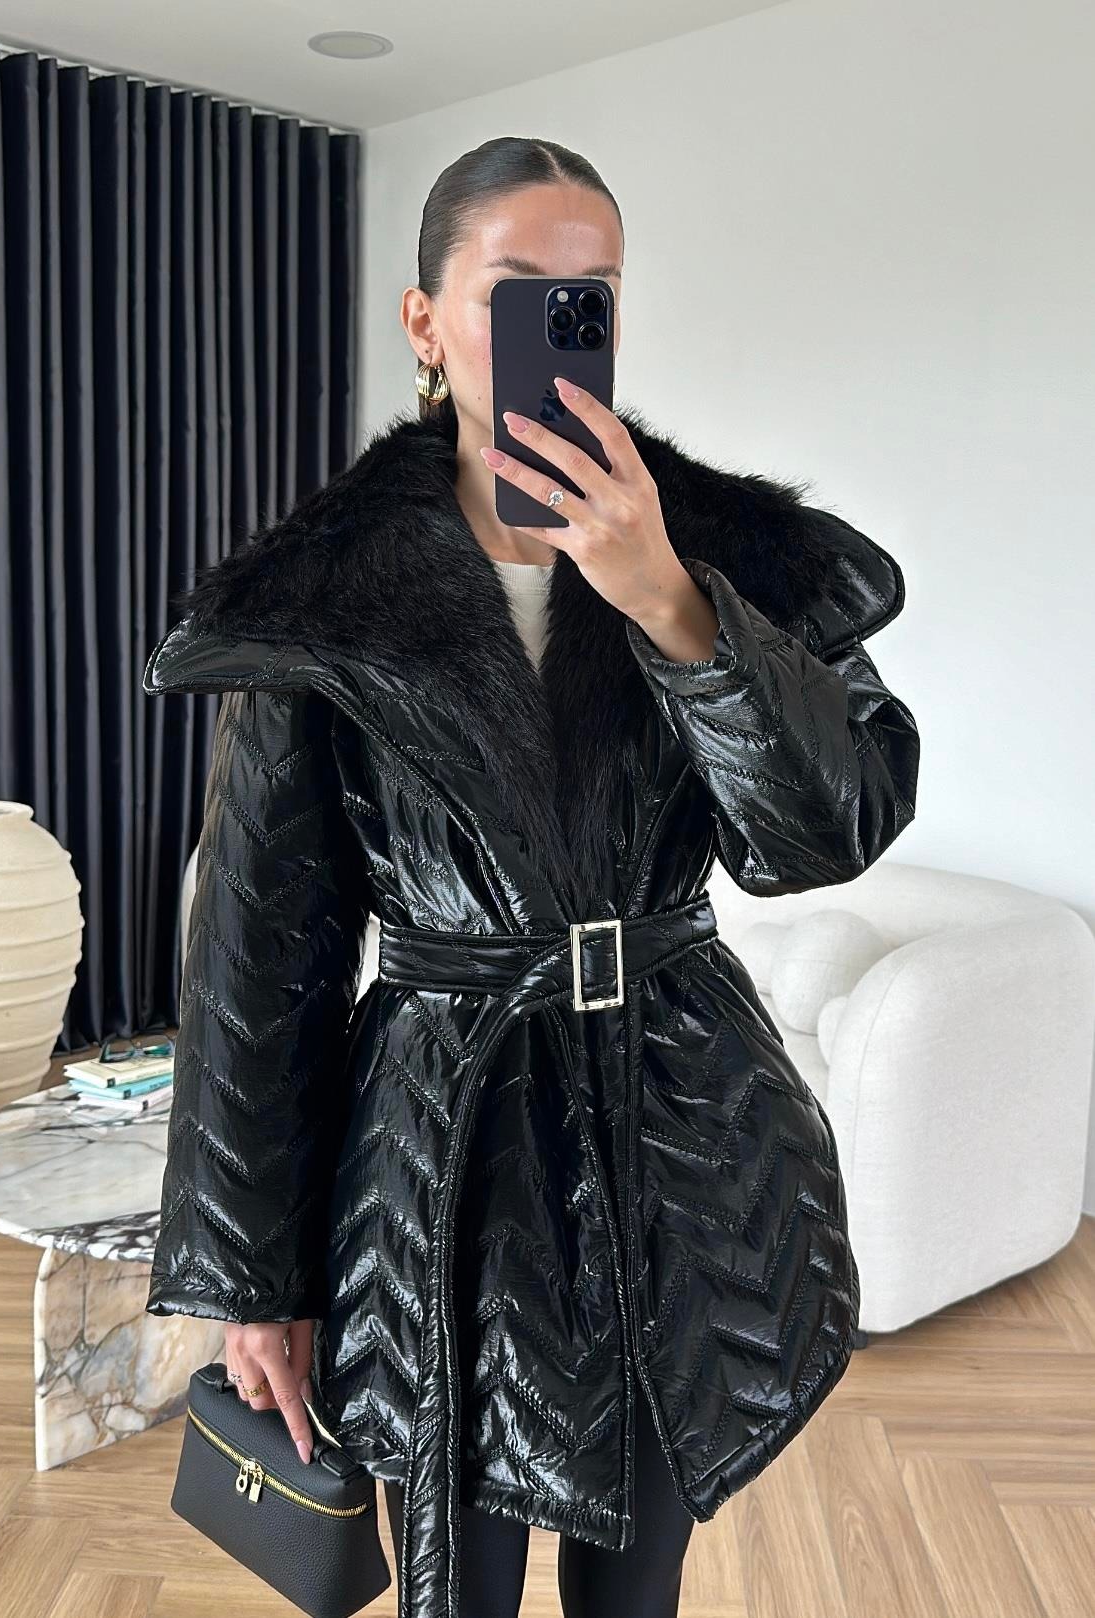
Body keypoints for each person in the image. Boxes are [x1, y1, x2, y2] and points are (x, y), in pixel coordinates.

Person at [141, 136, 920, 1618]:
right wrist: (254, 1278)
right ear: (426, 322)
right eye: (518, 289)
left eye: (591, 293)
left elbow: (824, 834)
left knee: (636, 1589)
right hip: (442, 1162)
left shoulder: (724, 553)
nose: (561, 322)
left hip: (684, 1140)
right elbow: (259, 957)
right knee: (460, 1586)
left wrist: (675, 608)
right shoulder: (320, 598)